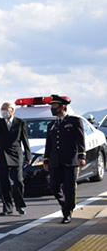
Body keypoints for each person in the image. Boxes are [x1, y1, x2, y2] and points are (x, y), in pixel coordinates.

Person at [0, 102, 30, 216]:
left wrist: (28, 155)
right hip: (1, 155)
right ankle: (7, 207)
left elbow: (25, 140)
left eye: (5, 109)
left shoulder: (20, 122)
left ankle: (20, 205)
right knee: (4, 183)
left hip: (16, 155)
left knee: (18, 181)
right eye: (1, 109)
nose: (3, 111)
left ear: (12, 110)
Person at [43, 94, 85, 224]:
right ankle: (65, 205)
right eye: (52, 106)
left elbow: (80, 139)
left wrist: (81, 156)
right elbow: (48, 144)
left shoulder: (74, 121)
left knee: (69, 188)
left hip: (70, 160)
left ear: (63, 107)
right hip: (55, 161)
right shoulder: (52, 124)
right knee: (53, 187)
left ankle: (67, 213)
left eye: (55, 106)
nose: (52, 108)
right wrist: (46, 160)